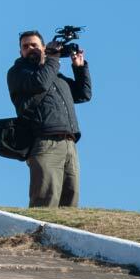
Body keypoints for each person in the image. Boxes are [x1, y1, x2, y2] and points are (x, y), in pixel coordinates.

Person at [7, 29, 92, 208]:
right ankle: (36, 236)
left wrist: (79, 68)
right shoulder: (18, 72)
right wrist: (53, 58)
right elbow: (40, 83)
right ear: (20, 52)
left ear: (43, 48)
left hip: (69, 143)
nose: (30, 48)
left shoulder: (55, 75)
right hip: (45, 143)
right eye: (25, 46)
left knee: (70, 201)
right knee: (45, 201)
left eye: (34, 45)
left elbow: (83, 94)